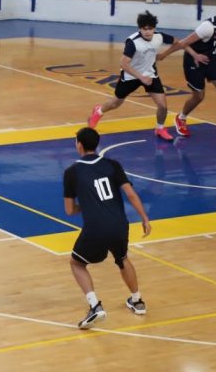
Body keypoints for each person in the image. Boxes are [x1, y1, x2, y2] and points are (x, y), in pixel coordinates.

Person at [64, 126, 152, 329]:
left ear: (79, 145)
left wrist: (87, 204)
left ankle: (95, 306)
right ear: (97, 145)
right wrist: (145, 218)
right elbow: (130, 194)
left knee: (77, 263)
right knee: (122, 258)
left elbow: (69, 210)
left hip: (95, 227)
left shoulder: (71, 172)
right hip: (119, 223)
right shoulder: (113, 165)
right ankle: (137, 301)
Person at [156, 0, 216, 144]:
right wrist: (163, 55)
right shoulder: (208, 27)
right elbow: (183, 43)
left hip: (213, 60)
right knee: (199, 96)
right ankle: (181, 117)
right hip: (194, 61)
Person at [88, 11, 177, 141]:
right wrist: (141, 78)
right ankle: (99, 111)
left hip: (150, 74)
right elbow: (124, 64)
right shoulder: (133, 42)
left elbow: (178, 42)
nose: (147, 32)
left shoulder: (159, 37)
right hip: (131, 76)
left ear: (154, 28)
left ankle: (160, 128)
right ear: (139, 29)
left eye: (150, 29)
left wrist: (164, 54)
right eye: (144, 29)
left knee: (163, 106)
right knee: (115, 103)